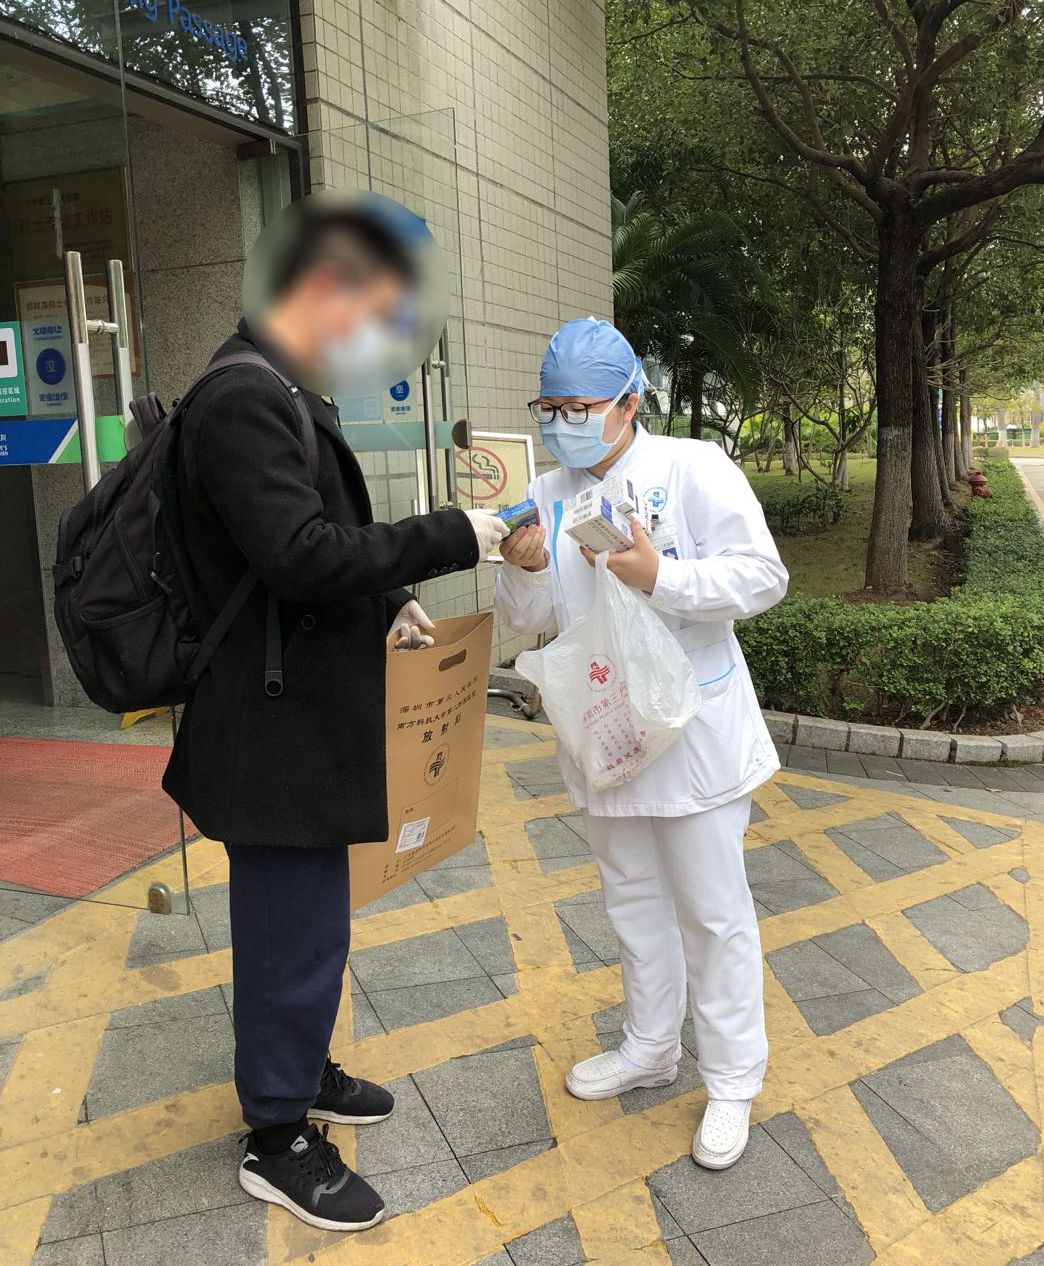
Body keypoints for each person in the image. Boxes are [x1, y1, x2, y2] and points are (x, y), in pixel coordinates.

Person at [162, 195, 509, 1232]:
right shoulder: (241, 398)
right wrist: (454, 535)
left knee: (312, 924)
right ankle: (276, 1139)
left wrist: (392, 598)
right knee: (288, 932)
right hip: (268, 731)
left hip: (299, 717)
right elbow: (299, 556)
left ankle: (301, 1068)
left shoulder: (278, 387)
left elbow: (316, 538)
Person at [495, 318, 788, 1170]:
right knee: (629, 897)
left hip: (691, 729)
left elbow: (762, 574)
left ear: (629, 403)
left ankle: (731, 1079)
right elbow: (531, 619)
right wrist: (521, 565)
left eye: (580, 407)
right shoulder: (547, 491)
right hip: (606, 730)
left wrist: (665, 578)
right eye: (551, 407)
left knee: (712, 911)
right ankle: (650, 1046)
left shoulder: (694, 467)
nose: (564, 423)